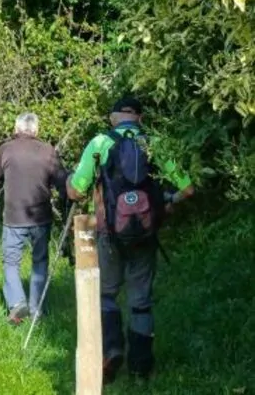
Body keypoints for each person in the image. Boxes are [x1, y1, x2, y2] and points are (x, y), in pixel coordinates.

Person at [66, 97, 195, 384]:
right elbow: (187, 189)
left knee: (107, 294)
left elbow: (76, 191)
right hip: (146, 235)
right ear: (140, 118)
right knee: (141, 301)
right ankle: (140, 368)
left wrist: (69, 183)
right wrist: (166, 205)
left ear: (113, 118)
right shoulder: (154, 143)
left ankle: (110, 350)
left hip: (110, 234)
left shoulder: (99, 143)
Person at [0, 113, 67, 325]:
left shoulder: (7, 148)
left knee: (11, 261)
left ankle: (16, 303)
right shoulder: (48, 151)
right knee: (40, 261)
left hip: (14, 216)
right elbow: (62, 180)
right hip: (41, 217)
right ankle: (36, 310)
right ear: (36, 130)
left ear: (16, 128)